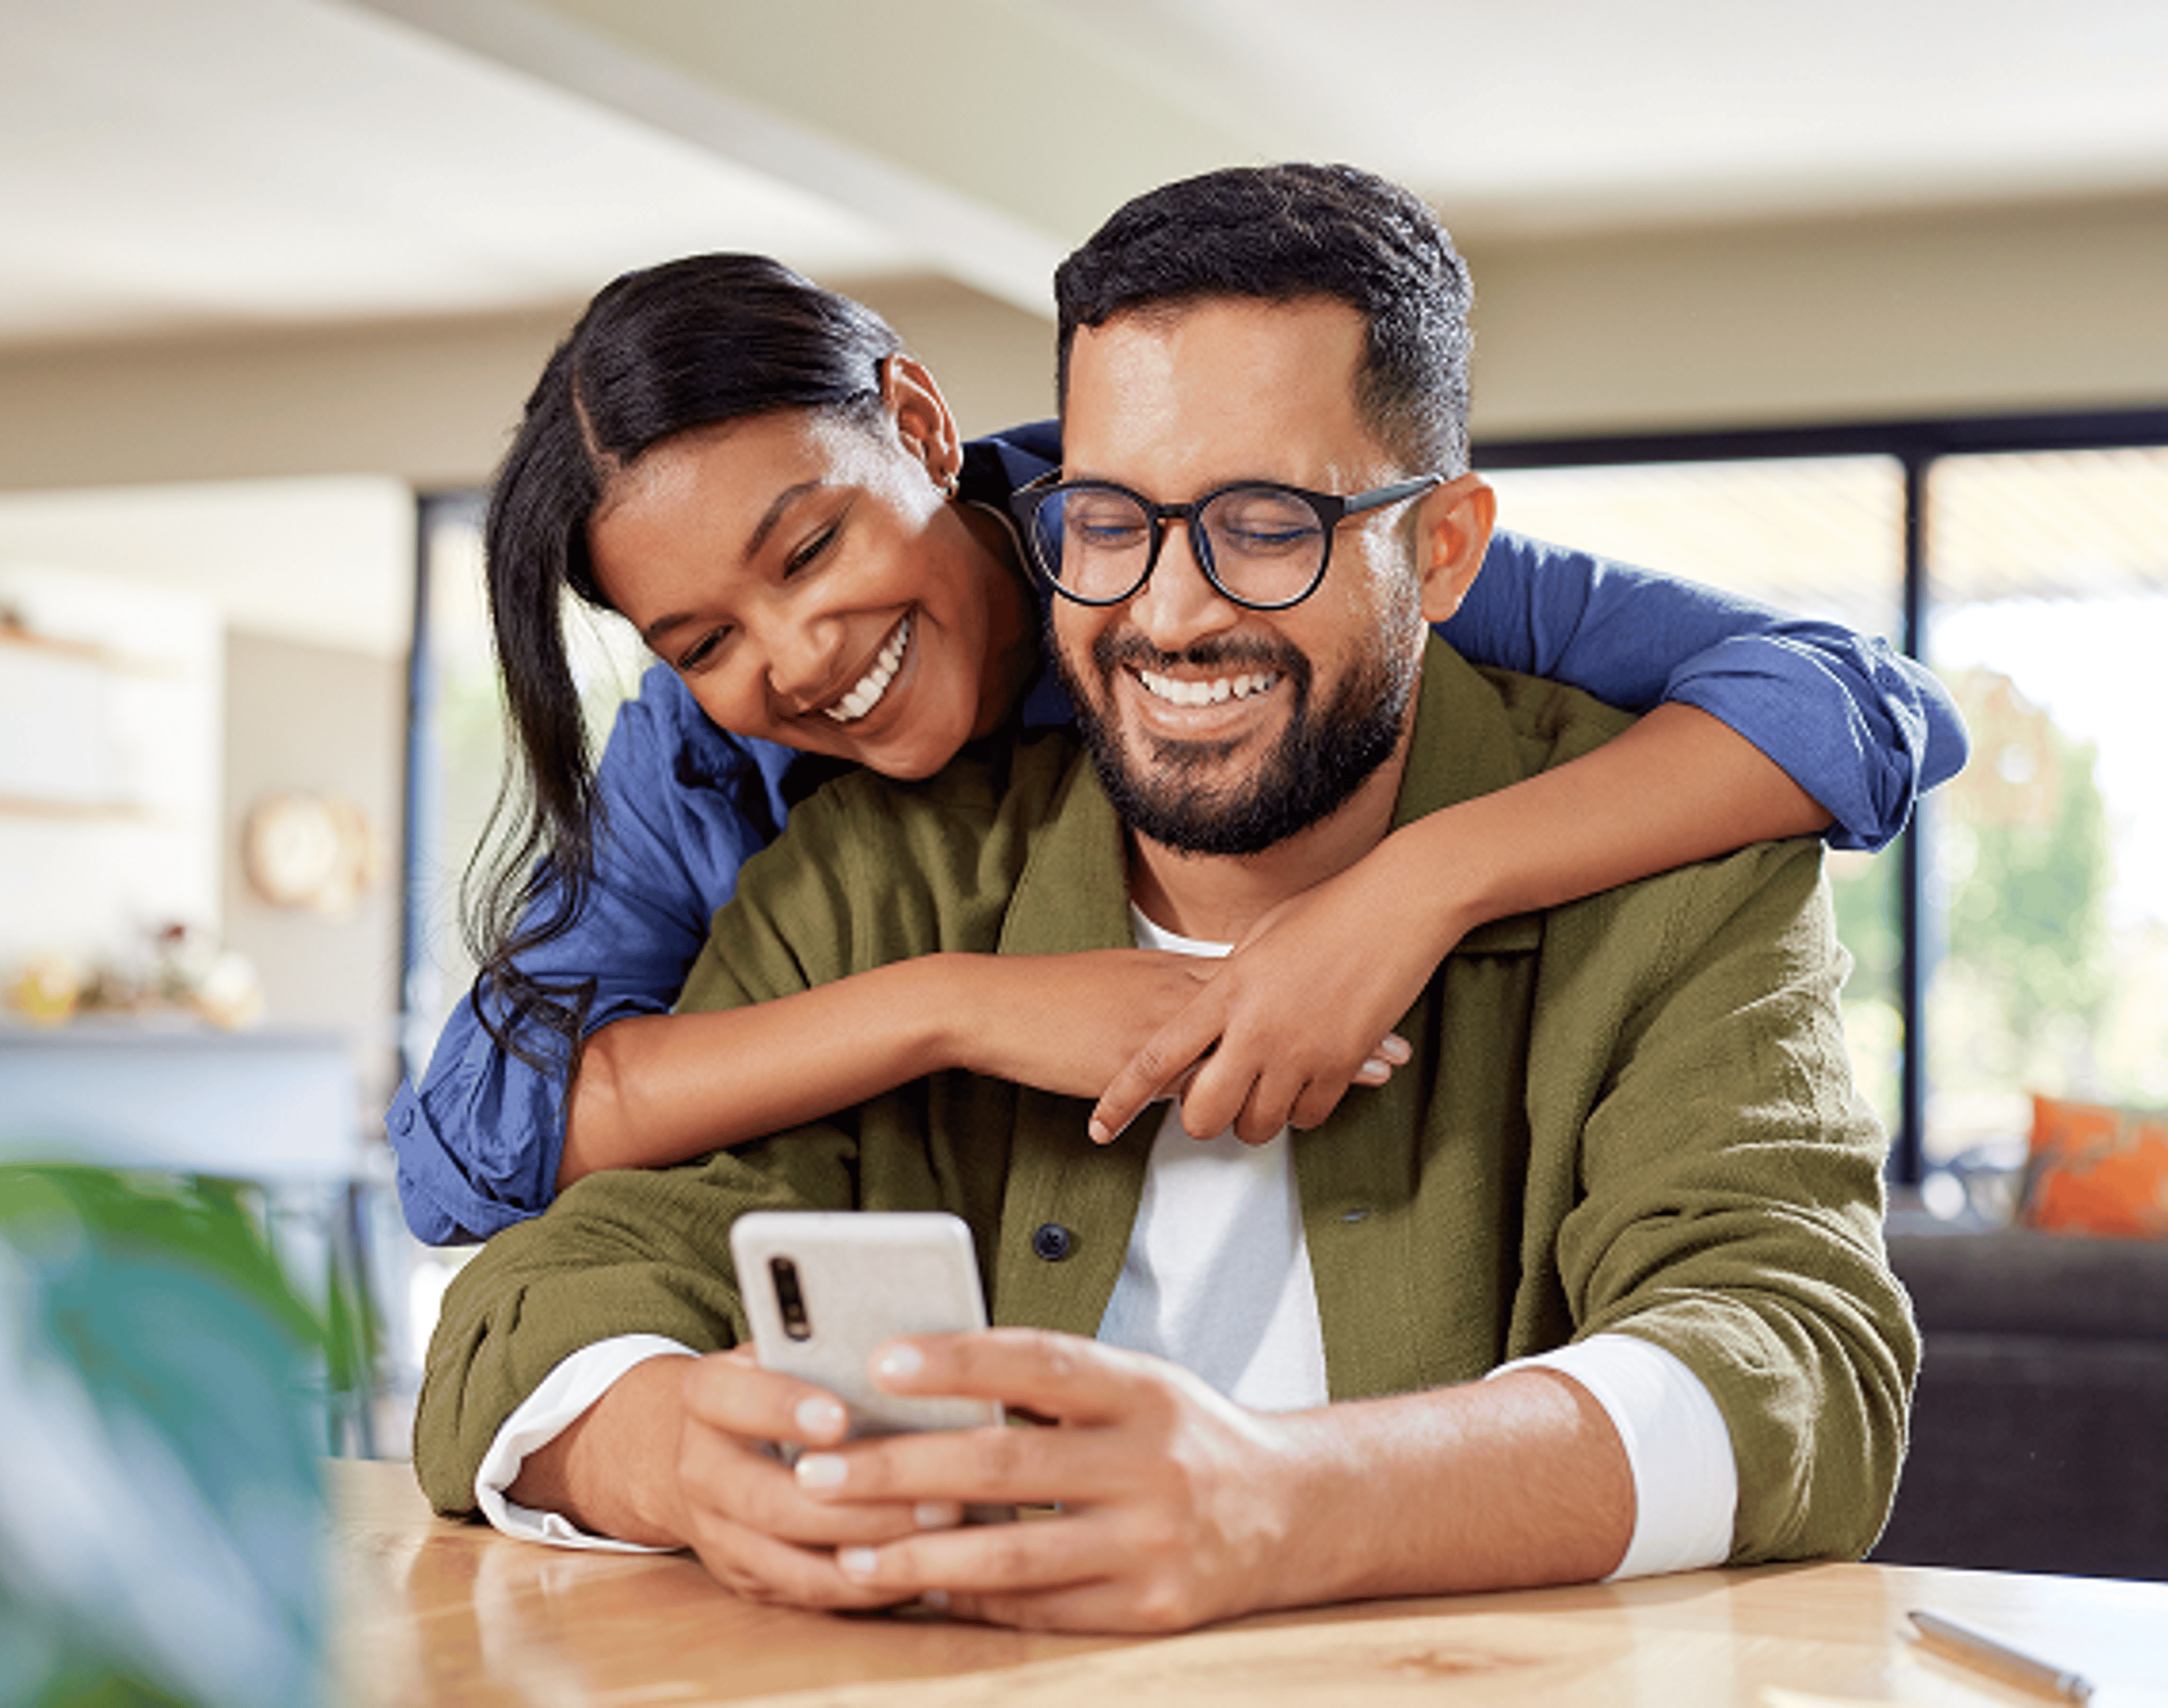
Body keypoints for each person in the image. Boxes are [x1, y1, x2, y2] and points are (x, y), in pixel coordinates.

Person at [414, 162, 1916, 1635]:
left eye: (1266, 526)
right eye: (1114, 522)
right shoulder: (851, 861)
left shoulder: (1673, 850)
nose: (1175, 610)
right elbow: (532, 1267)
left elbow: (1795, 1356)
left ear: (1442, 549)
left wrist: (1284, 1499)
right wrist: (674, 1442)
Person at [387, 247, 1965, 1246]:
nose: (793, 661)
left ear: (921, 430)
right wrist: (956, 1008)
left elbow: (1855, 703)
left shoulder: (1263, 551)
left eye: (808, 552)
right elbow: (471, 1143)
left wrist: (1412, 888)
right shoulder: (700, 763)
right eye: (702, 639)